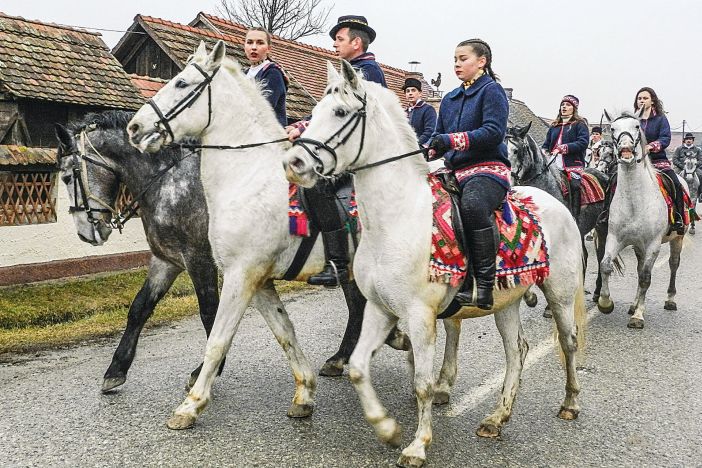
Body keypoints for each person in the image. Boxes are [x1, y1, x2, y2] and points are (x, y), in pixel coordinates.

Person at [285, 15, 387, 287]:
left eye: (339, 39)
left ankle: (338, 263)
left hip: (362, 156)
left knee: (317, 186)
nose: (333, 44)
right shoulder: (347, 71)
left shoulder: (367, 72)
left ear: (356, 42)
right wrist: (302, 126)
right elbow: (327, 112)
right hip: (349, 151)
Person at [427, 38, 509, 310]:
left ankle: (482, 284)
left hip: (487, 169)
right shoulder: (449, 99)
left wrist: (451, 141)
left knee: (473, 206)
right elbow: (440, 137)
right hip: (452, 170)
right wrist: (428, 150)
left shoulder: (492, 90)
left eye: (463, 59)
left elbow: (494, 132)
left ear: (481, 61)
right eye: (455, 59)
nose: (457, 64)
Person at [635, 86, 685, 233]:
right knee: (614, 182)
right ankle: (607, 216)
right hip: (636, 162)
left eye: (645, 98)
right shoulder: (633, 120)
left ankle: (679, 218)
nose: (642, 101)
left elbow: (665, 138)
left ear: (653, 101)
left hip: (657, 161)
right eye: (639, 98)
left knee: (675, 184)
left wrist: (651, 146)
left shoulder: (660, 119)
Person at [541, 95, 589, 217]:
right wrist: (544, 151)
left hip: (572, 164)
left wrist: (564, 148)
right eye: (563, 104)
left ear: (574, 108)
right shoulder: (554, 126)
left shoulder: (579, 124)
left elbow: (583, 143)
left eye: (568, 105)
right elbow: (546, 144)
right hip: (553, 163)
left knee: (575, 186)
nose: (564, 107)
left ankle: (575, 216)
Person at [243, 27, 288, 127]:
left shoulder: (273, 73)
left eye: (260, 43)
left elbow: (261, 109)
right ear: (244, 46)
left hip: (269, 138)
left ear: (268, 49)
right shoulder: (243, 74)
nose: (254, 47)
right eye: (249, 42)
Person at [403, 77, 437, 145]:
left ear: (420, 93)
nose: (410, 93)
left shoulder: (428, 109)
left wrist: (415, 145)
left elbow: (429, 132)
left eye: (413, 90)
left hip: (422, 148)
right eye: (408, 91)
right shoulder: (404, 112)